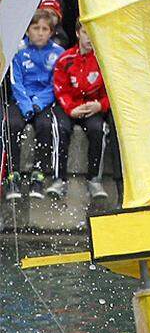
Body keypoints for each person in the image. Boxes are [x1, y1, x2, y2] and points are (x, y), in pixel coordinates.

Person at [2, 10, 69, 200]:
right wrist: (26, 106)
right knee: (11, 124)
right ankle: (12, 175)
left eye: (44, 29)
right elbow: (16, 82)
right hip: (22, 100)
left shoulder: (58, 53)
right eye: (35, 28)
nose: (40, 33)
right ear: (27, 30)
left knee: (45, 125)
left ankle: (38, 174)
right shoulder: (18, 51)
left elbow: (55, 84)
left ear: (51, 32)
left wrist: (39, 104)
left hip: (45, 102)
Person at [52, 21, 118, 201]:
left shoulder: (103, 61)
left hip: (92, 108)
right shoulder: (65, 59)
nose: (90, 38)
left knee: (99, 130)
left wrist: (100, 106)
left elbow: (112, 92)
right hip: (71, 107)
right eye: (86, 33)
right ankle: (59, 179)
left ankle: (94, 180)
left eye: (93, 33)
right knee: (60, 128)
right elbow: (60, 88)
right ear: (77, 34)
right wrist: (71, 109)